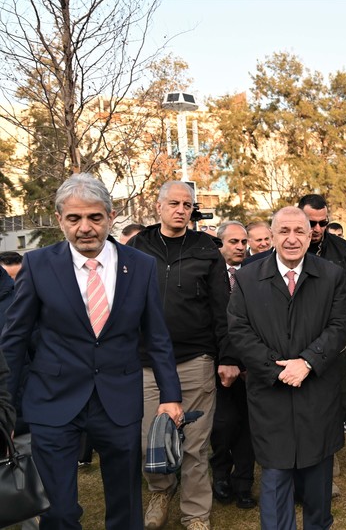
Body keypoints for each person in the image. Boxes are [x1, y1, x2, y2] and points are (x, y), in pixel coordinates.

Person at [1, 173, 182, 529]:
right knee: (57, 511)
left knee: (126, 506)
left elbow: (157, 336)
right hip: (53, 400)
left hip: (118, 400)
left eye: (94, 217)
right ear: (59, 220)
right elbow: (14, 340)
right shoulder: (37, 264)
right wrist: (4, 411)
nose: (85, 227)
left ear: (111, 216)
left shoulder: (141, 266)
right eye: (74, 218)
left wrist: (171, 395)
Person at [227, 206, 346, 530]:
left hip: (317, 394)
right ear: (272, 236)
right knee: (274, 478)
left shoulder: (332, 275)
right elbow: (239, 330)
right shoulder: (247, 278)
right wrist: (277, 369)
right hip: (270, 396)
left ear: (311, 236)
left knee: (318, 483)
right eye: (284, 231)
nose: (292, 239)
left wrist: (308, 361)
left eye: (300, 231)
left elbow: (341, 324)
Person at [128, 181, 231, 530]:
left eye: (187, 205)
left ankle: (196, 512)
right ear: (158, 207)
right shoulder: (138, 246)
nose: (181, 210)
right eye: (174, 203)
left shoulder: (206, 249)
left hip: (195, 358)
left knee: (195, 444)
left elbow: (222, 308)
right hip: (146, 362)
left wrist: (227, 357)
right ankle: (161, 491)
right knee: (150, 440)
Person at [297, 195, 346, 439]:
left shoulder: (342, 249)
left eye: (323, 223)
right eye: (311, 223)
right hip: (298, 343)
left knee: (337, 403)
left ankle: (328, 455)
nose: (318, 229)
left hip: (339, 344)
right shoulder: (289, 247)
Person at [210, 221, 257, 509]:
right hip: (219, 366)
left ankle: (244, 483)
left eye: (243, 242)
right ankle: (220, 475)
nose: (240, 247)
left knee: (248, 426)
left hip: (251, 365)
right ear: (220, 244)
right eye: (233, 242)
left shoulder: (254, 274)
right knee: (223, 425)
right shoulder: (209, 275)